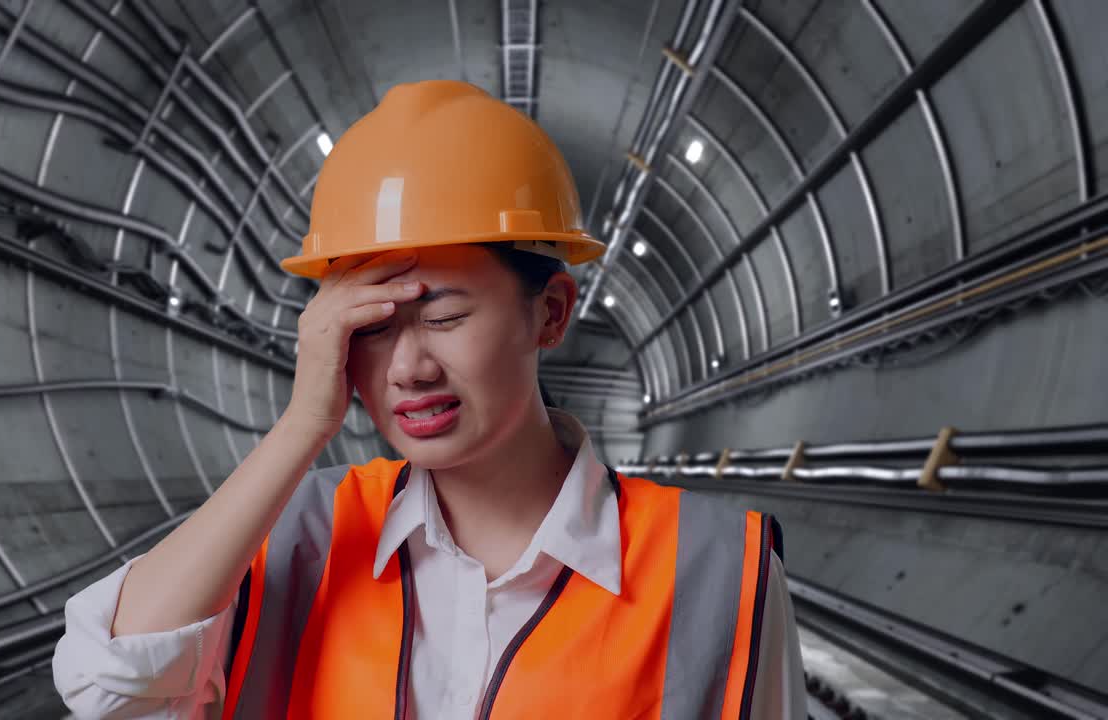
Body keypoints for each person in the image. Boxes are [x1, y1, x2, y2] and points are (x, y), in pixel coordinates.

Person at [52, 80, 806, 719]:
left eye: (445, 317)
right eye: (372, 328)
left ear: (550, 313)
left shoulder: (714, 568)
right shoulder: (299, 533)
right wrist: (300, 428)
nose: (408, 367)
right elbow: (106, 685)